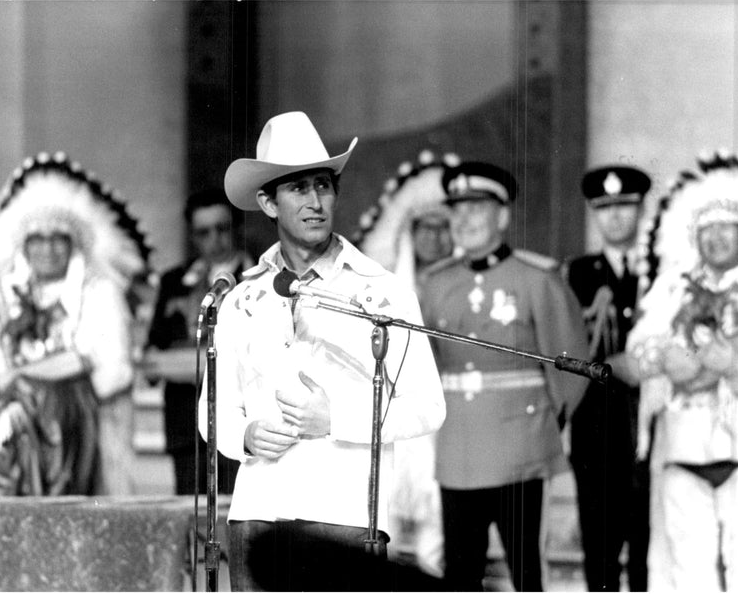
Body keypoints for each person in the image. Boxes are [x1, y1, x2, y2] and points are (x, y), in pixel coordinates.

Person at [197, 111, 446, 591]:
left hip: (344, 514)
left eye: (323, 186)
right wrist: (244, 435)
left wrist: (336, 419)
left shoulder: (384, 293)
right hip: (258, 513)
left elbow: (427, 407)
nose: (315, 201)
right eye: (298, 189)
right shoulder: (242, 297)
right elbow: (212, 410)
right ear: (268, 203)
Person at [418, 161, 590, 592]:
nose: (465, 220)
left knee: (526, 575)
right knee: (459, 577)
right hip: (458, 450)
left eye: (477, 208)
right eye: (457, 210)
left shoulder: (536, 279)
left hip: (521, 448)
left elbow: (572, 366)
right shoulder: (436, 285)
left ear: (503, 216)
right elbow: (425, 366)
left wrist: (549, 424)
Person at [0, 152, 150, 496]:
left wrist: (49, 403)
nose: (47, 249)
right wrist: (6, 401)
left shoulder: (99, 291)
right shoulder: (0, 297)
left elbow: (115, 370)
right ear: (24, 245)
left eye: (58, 239)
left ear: (73, 244)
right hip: (9, 423)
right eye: (37, 239)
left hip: (80, 430)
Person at [627, 152, 738, 591]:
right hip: (683, 448)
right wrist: (664, 357)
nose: (718, 239)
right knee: (688, 571)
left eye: (728, 228)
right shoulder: (670, 290)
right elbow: (637, 355)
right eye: (708, 229)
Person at [357, 151, 458, 578]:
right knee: (385, 530)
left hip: (451, 418)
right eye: (425, 228)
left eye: (443, 228)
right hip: (396, 418)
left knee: (439, 541)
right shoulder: (389, 290)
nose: (434, 238)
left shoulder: (462, 285)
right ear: (410, 232)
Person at [566, 165, 652, 591]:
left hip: (652, 432)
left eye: (625, 206)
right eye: (605, 208)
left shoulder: (662, 271)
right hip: (596, 433)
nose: (615, 217)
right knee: (599, 553)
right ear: (594, 215)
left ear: (640, 209)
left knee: (649, 554)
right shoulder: (576, 275)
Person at [146, 187, 253, 495]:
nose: (214, 240)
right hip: (186, 424)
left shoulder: (258, 277)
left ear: (238, 229)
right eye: (203, 232)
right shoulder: (174, 282)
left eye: (223, 229)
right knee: (191, 517)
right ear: (192, 237)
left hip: (240, 421)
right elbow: (152, 359)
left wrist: (181, 363)